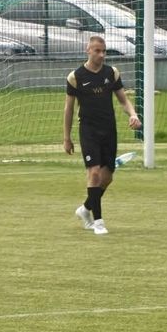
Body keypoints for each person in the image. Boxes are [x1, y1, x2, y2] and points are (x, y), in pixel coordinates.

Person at [63, 35, 142, 236]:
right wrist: (67, 138)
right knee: (95, 174)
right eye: (97, 51)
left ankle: (85, 209)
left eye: (104, 51)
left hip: (109, 130)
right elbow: (69, 110)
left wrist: (133, 114)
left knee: (106, 178)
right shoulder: (75, 77)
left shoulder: (112, 73)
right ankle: (98, 221)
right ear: (87, 51)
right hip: (89, 131)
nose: (101, 54)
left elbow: (123, 100)